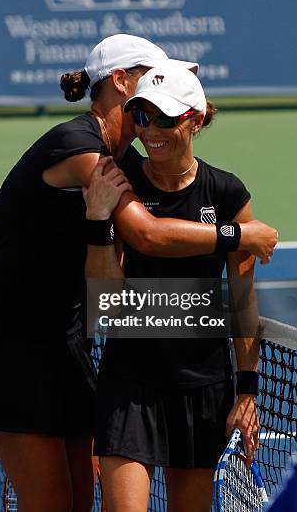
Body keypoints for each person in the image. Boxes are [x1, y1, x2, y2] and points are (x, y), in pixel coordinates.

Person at [0, 35, 276, 512]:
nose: (153, 105)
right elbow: (147, 235)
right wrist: (237, 237)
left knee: (78, 500)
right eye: (147, 88)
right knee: (48, 501)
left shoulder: (129, 160)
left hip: (65, 343)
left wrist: (216, 350)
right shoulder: (80, 148)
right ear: (120, 81)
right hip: (8, 346)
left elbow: (124, 301)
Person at [83, 60, 263, 512]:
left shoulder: (226, 194)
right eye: (142, 116)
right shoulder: (121, 180)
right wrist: (100, 221)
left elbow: (241, 300)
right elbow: (105, 304)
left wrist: (247, 390)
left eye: (165, 118)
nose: (151, 130)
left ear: (195, 120)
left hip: (203, 388)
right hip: (130, 384)